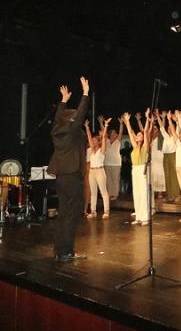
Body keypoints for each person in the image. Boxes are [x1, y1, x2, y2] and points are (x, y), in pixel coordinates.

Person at [47, 76, 90, 262]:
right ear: (71, 119)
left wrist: (63, 101)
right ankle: (66, 252)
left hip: (61, 177)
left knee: (63, 214)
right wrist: (85, 94)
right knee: (71, 216)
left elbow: (59, 118)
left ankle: (60, 251)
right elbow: (80, 114)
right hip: (72, 176)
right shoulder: (72, 131)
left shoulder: (57, 130)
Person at [123, 110, 153, 225]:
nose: (138, 136)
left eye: (139, 135)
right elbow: (130, 133)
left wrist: (146, 118)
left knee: (143, 192)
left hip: (142, 170)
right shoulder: (135, 146)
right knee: (137, 193)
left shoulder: (145, 146)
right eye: (138, 135)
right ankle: (139, 216)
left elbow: (145, 131)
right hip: (134, 169)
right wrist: (127, 122)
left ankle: (145, 217)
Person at [83, 118, 111, 219]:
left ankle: (106, 211)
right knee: (93, 192)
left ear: (98, 142)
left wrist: (106, 126)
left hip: (100, 171)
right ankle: (93, 211)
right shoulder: (92, 151)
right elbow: (89, 138)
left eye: (95, 141)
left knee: (103, 191)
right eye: (93, 141)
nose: (93, 142)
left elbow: (103, 138)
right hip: (92, 171)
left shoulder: (102, 150)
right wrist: (87, 128)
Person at [158, 111, 181, 203]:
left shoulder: (176, 136)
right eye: (168, 128)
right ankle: (170, 195)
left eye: (171, 128)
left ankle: (177, 195)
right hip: (166, 156)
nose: (169, 129)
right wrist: (160, 118)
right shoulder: (166, 137)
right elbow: (161, 127)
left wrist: (175, 121)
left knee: (174, 176)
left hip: (173, 155)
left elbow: (179, 126)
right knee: (167, 176)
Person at [103, 116, 124, 201]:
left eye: (115, 133)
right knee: (108, 180)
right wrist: (104, 124)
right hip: (107, 163)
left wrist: (121, 124)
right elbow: (103, 134)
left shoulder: (117, 141)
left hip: (116, 163)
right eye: (113, 133)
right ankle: (109, 194)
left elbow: (121, 132)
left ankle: (115, 194)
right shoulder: (106, 141)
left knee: (115, 179)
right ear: (110, 134)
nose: (115, 134)